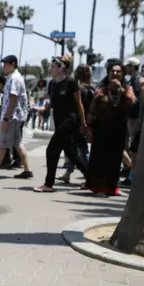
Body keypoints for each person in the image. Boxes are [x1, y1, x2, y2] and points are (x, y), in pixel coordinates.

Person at [33, 55, 88, 193]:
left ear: (62, 68)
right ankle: (92, 179)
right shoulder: (52, 84)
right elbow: (52, 103)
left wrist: (83, 122)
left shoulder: (71, 82)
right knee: (71, 154)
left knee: (51, 150)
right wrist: (40, 108)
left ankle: (48, 184)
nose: (50, 68)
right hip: (58, 121)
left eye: (53, 66)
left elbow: (78, 103)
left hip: (70, 121)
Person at [85, 60, 136, 196]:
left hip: (118, 129)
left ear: (123, 74)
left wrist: (120, 90)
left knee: (114, 159)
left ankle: (112, 188)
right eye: (112, 71)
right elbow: (92, 110)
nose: (115, 73)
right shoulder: (101, 89)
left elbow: (132, 103)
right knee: (100, 159)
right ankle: (98, 188)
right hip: (101, 128)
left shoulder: (128, 89)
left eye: (118, 71)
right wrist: (89, 129)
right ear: (108, 74)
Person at [0, 55, 33, 180]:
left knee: (2, 143)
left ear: (13, 64)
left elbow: (13, 99)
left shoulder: (14, 78)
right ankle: (27, 170)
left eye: (6, 63)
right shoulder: (15, 77)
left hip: (11, 117)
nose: (4, 66)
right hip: (15, 116)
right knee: (18, 144)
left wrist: (7, 118)